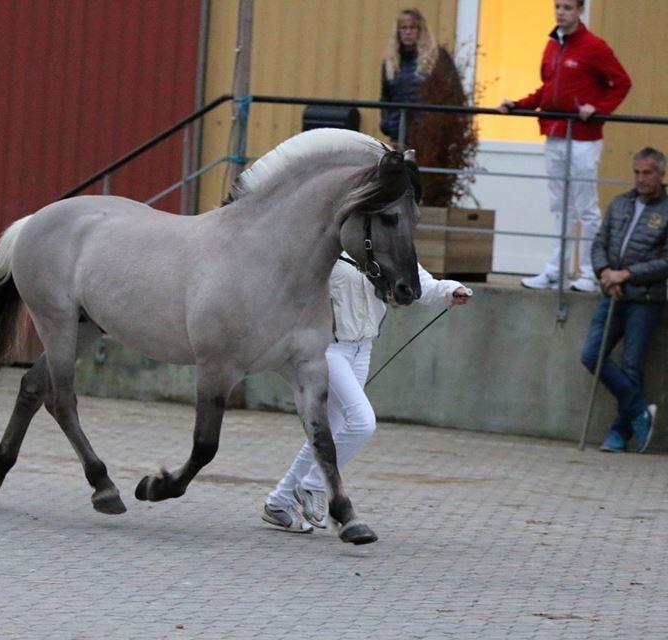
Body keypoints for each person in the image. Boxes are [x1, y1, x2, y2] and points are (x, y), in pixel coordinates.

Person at [262, 257, 470, 533]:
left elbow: (421, 282)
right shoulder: (329, 252)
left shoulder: (385, 249)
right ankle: (313, 485)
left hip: (363, 349)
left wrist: (450, 290)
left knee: (332, 427)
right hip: (329, 350)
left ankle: (278, 502)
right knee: (362, 423)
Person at [497, 0, 631, 293]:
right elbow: (549, 88)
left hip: (583, 137)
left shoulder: (595, 46)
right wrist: (519, 104)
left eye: (568, 7)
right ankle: (556, 269)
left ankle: (589, 272)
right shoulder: (552, 44)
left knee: (586, 207)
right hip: (555, 133)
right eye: (558, 6)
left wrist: (598, 108)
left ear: (580, 11)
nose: (561, 12)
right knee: (560, 207)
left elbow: (621, 83)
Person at [581, 147, 668, 454]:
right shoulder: (620, 204)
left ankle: (620, 432)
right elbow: (599, 242)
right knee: (591, 355)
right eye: (637, 172)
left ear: (661, 174)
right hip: (612, 293)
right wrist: (605, 272)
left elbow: (665, 262)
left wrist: (627, 274)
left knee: (632, 367)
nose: (641, 179)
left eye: (648, 173)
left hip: (645, 298)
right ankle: (640, 412)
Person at [379, 8, 462, 147]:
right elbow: (385, 97)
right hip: (397, 132)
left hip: (428, 132)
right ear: (398, 32)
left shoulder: (437, 57)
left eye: (412, 27)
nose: (407, 32)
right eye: (403, 28)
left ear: (421, 30)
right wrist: (386, 124)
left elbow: (454, 92)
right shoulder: (390, 62)